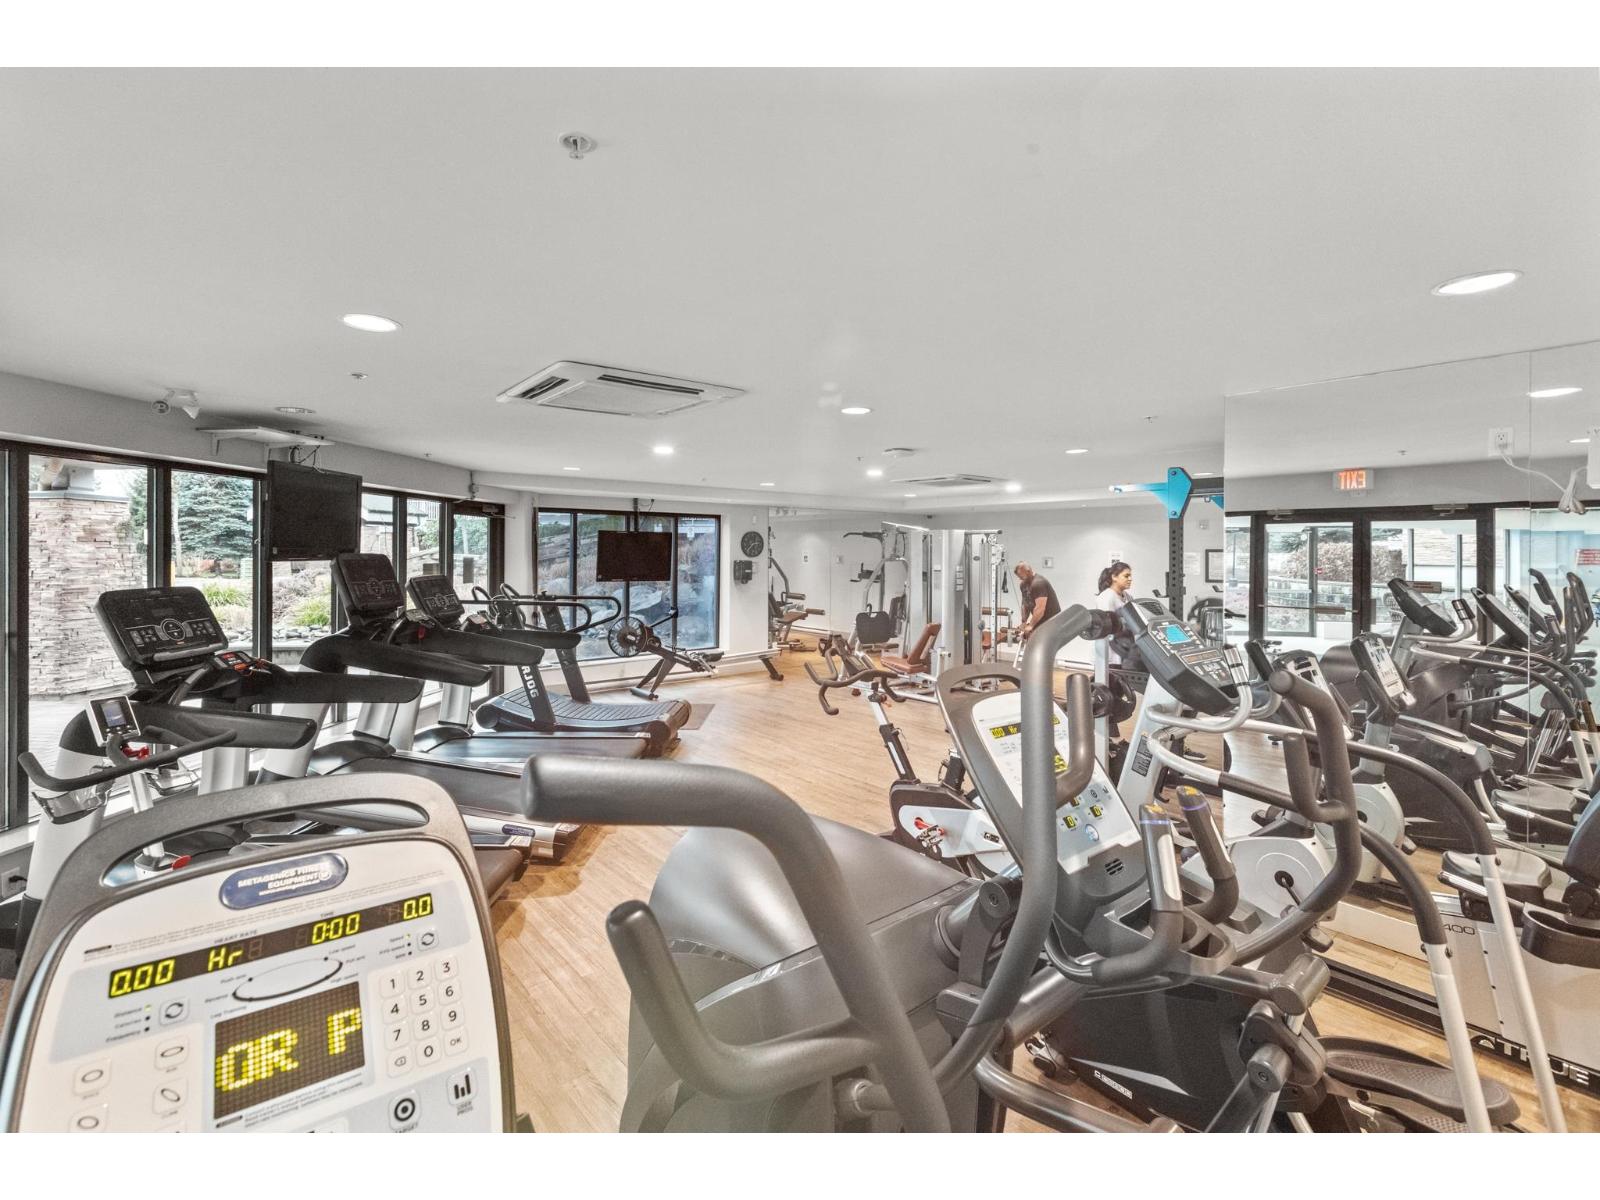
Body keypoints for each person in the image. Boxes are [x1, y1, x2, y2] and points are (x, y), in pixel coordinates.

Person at [1095, 561, 1140, 668]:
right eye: (1126, 576)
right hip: (1110, 651)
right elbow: (1108, 626)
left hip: (1124, 646)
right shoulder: (1107, 597)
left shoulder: (1127, 596)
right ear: (1114, 577)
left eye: (1130, 576)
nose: (1130, 579)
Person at [1014, 562, 1061, 642]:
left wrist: (1031, 625)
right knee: (1028, 637)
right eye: (1019, 577)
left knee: (1041, 642)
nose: (1020, 579)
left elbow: (1040, 608)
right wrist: (1024, 622)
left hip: (1052, 621)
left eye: (1021, 576)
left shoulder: (1038, 583)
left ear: (1028, 571)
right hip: (1040, 620)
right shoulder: (1023, 585)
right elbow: (1025, 604)